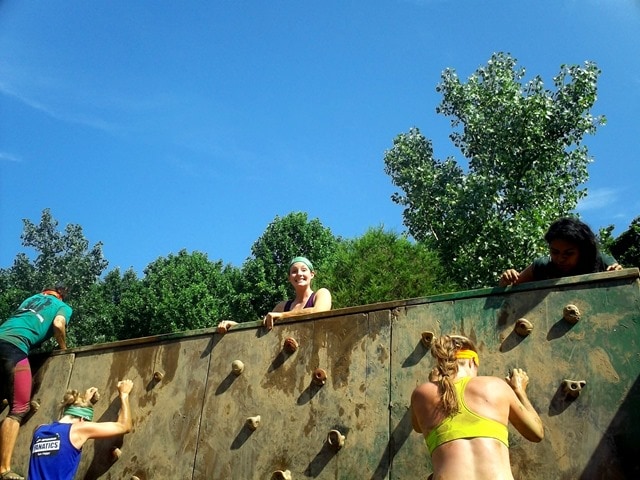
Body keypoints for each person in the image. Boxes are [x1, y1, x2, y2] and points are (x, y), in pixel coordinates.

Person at [411, 334, 544, 480]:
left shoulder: (421, 394)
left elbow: (418, 427)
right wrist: (519, 391)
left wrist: (433, 384)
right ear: (472, 362)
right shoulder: (496, 386)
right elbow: (536, 433)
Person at [0, 283, 71, 480]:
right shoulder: (62, 306)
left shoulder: (30, 299)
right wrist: (64, 348)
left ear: (44, 292)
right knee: (19, 408)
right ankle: (4, 470)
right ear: (61, 296)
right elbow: (58, 325)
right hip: (15, 347)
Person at [27, 379, 133, 480]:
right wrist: (124, 394)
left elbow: (56, 451)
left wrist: (85, 402)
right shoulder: (78, 430)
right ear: (82, 420)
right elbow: (124, 426)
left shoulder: (39, 430)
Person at [217, 256, 332, 333]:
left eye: (303, 270)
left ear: (312, 274)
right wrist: (234, 326)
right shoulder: (282, 306)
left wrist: (282, 316)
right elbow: (261, 328)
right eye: (294, 271)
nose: (299, 274)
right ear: (289, 278)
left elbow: (319, 312)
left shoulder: (321, 293)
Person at [499, 217, 622, 287]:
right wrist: (506, 280)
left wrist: (618, 274)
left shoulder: (601, 262)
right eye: (555, 252)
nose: (560, 259)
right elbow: (508, 290)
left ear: (583, 251)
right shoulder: (541, 267)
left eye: (568, 253)